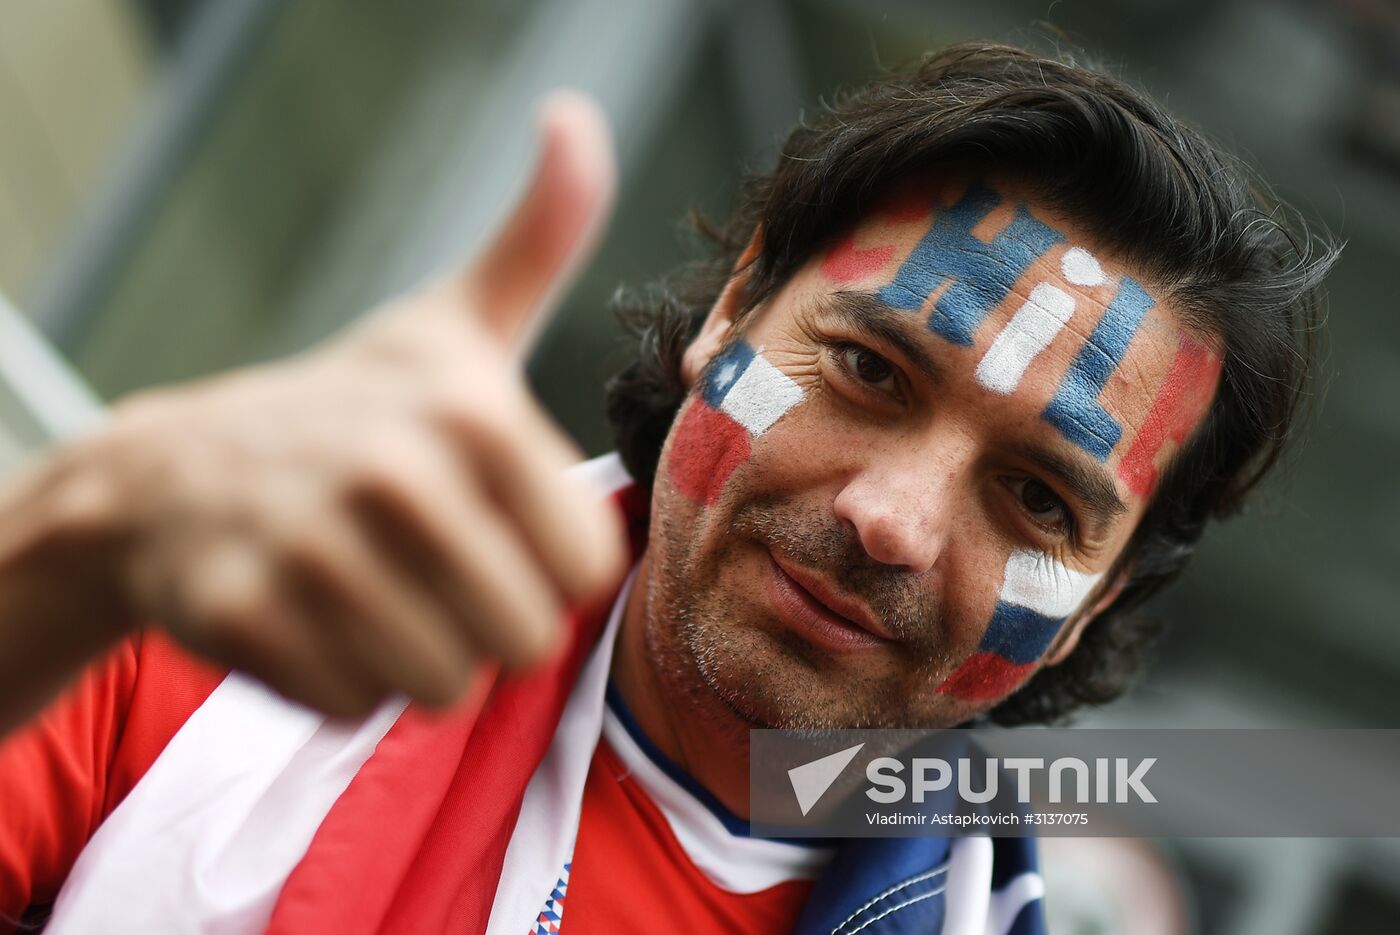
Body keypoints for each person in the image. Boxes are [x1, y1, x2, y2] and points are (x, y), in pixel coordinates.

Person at [0, 43, 1333, 934]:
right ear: (740, 305)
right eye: (870, 368)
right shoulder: (242, 623)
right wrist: (67, 556)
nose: (894, 519)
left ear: (1096, 602)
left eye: (1039, 499)